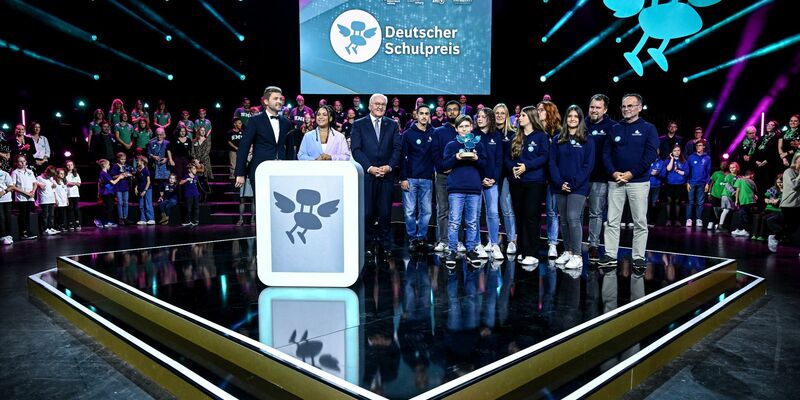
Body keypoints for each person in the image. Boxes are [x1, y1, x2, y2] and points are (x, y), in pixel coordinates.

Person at [598, 94, 659, 275]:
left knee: (640, 221)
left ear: (640, 107)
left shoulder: (649, 128)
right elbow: (606, 154)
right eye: (624, 106)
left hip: (638, 182)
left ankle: (638, 257)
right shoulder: (615, 127)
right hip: (615, 180)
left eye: (631, 106)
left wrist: (632, 173)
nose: (626, 109)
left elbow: (650, 155)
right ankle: (610, 255)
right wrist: (614, 172)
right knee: (612, 221)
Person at [352, 93, 402, 254]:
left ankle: (385, 245)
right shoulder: (359, 124)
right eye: (376, 104)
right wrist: (370, 168)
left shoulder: (392, 124)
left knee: (385, 213)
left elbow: (397, 148)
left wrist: (389, 167)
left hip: (386, 175)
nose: (380, 107)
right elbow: (356, 150)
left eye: (383, 104)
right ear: (370, 106)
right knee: (367, 213)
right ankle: (367, 245)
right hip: (367, 176)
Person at [549, 105, 594, 269]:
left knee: (573, 218)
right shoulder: (557, 139)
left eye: (576, 116)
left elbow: (588, 166)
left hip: (578, 187)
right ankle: (567, 251)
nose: (572, 119)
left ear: (580, 119)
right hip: (560, 185)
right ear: (566, 118)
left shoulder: (587, 140)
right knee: (564, 220)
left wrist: (573, 183)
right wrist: (560, 182)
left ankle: (577, 255)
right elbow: (552, 163)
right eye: (570, 116)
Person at [442, 115, 486, 266]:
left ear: (471, 127)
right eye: (461, 127)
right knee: (454, 221)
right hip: (456, 188)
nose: (464, 129)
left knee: (472, 222)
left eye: (467, 126)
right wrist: (456, 157)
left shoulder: (478, 144)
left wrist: (477, 159)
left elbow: (485, 164)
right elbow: (444, 165)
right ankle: (452, 250)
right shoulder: (451, 145)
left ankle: (471, 250)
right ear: (456, 128)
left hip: (474, 188)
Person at [234, 86, 295, 191]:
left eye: (280, 99)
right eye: (275, 98)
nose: (279, 101)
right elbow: (244, 147)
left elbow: (290, 149)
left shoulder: (287, 123)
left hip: (281, 172)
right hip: (260, 171)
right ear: (266, 101)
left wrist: (290, 171)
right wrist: (240, 173)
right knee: (262, 206)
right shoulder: (254, 121)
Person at [399, 104, 435, 252]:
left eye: (427, 113)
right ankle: (412, 238)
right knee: (409, 211)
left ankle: (421, 237)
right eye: (421, 113)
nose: (424, 116)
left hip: (427, 178)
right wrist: (403, 178)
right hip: (411, 178)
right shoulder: (408, 134)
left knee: (426, 211)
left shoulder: (434, 133)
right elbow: (402, 157)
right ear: (416, 115)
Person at [585, 94, 616, 261]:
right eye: (592, 107)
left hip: (600, 177)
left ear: (605, 110)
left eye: (598, 107)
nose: (594, 110)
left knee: (596, 213)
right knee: (572, 214)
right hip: (580, 177)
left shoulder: (612, 126)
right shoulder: (581, 124)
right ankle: (571, 247)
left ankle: (593, 245)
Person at [431, 101, 461, 252]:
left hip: (460, 176)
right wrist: (445, 168)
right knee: (443, 209)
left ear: (459, 112)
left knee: (459, 210)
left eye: (455, 110)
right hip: (443, 176)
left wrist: (455, 168)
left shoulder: (465, 131)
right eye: (449, 110)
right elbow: (435, 155)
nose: (452, 112)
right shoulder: (438, 131)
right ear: (445, 112)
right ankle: (442, 240)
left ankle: (458, 240)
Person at [475, 107, 504, 259]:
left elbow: (499, 161)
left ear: (490, 119)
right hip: (477, 181)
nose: (480, 119)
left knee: (493, 212)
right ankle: (477, 244)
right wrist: (481, 179)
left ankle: (494, 244)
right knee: (476, 213)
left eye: (483, 116)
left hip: (492, 181)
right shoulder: (473, 135)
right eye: (478, 116)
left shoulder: (496, 136)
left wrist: (494, 178)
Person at [537, 101, 562, 258]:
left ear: (549, 112)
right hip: (536, 176)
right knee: (533, 211)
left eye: (541, 110)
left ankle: (552, 243)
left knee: (552, 211)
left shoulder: (559, 132)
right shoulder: (534, 131)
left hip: (552, 178)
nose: (538, 112)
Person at [493, 103, 517, 254]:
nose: (500, 115)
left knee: (507, 208)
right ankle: (492, 240)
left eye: (503, 113)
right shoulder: (489, 132)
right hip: (492, 175)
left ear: (507, 115)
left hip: (507, 175)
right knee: (492, 210)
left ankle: (511, 240)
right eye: (497, 113)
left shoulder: (513, 133)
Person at [768, 154, 800, 253]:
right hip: (789, 204)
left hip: (798, 205)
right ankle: (774, 236)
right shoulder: (789, 171)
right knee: (790, 227)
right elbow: (794, 185)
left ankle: (775, 236)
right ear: (796, 160)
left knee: (794, 228)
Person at [11, 155, 39, 239]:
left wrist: (33, 192)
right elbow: (13, 186)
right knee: (23, 215)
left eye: (24, 161)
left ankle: (28, 230)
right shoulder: (15, 172)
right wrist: (26, 193)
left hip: (30, 196)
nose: (23, 163)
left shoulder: (30, 171)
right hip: (21, 197)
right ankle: (23, 232)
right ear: (16, 163)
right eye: (20, 161)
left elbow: (35, 183)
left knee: (28, 215)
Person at [686, 139, 711, 227]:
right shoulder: (691, 157)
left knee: (700, 202)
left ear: (703, 146)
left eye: (700, 145)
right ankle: (689, 219)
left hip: (702, 183)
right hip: (692, 182)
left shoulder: (707, 158)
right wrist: (687, 182)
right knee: (690, 202)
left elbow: (708, 172)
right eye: (697, 146)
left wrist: (707, 183)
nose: (698, 147)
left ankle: (698, 219)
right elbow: (687, 170)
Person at [663, 144, 688, 227]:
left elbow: (686, 173)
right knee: (669, 202)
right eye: (675, 151)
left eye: (678, 150)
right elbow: (668, 169)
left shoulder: (684, 161)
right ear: (672, 152)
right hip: (670, 184)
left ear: (680, 152)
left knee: (678, 202)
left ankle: (677, 220)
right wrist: (672, 159)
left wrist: (677, 171)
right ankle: (668, 220)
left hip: (680, 184)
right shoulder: (668, 160)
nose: (677, 152)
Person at [753, 173, 782, 241]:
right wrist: (768, 200)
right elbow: (765, 198)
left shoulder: (786, 191)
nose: (779, 184)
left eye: (781, 182)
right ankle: (755, 234)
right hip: (768, 208)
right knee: (759, 217)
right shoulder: (773, 189)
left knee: (764, 218)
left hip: (777, 210)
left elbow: (777, 201)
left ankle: (762, 235)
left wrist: (773, 201)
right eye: (778, 182)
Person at [732, 170, 758, 237]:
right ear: (750, 174)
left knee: (744, 215)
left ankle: (745, 230)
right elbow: (755, 191)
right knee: (743, 215)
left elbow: (737, 190)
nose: (753, 177)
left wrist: (736, 200)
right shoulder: (752, 182)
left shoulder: (740, 180)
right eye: (753, 175)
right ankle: (740, 229)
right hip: (750, 201)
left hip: (745, 200)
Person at [95, 159, 119, 228]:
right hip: (106, 192)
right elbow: (113, 182)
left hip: (108, 192)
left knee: (109, 207)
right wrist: (120, 177)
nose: (109, 166)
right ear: (105, 165)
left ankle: (108, 222)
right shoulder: (104, 173)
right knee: (108, 208)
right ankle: (99, 220)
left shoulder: (103, 173)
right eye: (109, 165)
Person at [111, 152, 134, 225]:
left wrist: (129, 175)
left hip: (125, 187)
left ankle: (125, 217)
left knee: (126, 202)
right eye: (121, 159)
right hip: (118, 187)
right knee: (120, 203)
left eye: (124, 159)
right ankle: (120, 218)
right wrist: (120, 175)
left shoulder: (127, 166)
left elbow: (132, 173)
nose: (123, 161)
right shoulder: (115, 166)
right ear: (118, 159)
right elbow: (113, 176)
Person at [717, 162, 739, 232]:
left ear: (737, 168)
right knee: (726, 210)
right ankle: (720, 226)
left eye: (733, 167)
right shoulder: (729, 176)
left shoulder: (738, 177)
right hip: (726, 195)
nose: (732, 169)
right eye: (730, 168)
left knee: (727, 210)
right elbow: (727, 185)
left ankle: (723, 225)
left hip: (730, 196)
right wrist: (734, 192)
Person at [707, 161, 729, 231]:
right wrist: (709, 193)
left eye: (725, 164)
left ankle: (717, 223)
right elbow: (711, 183)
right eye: (722, 164)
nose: (723, 165)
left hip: (723, 196)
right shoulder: (716, 173)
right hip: (715, 194)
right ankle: (710, 222)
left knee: (720, 210)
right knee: (713, 209)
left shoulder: (729, 175)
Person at [134, 156, 155, 225]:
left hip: (147, 190)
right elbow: (138, 181)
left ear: (142, 161)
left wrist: (145, 191)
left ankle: (151, 219)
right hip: (140, 189)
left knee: (148, 204)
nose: (137, 162)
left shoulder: (146, 170)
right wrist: (136, 188)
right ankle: (143, 219)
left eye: (138, 161)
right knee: (141, 205)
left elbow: (148, 182)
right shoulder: (138, 170)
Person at [65, 160, 82, 231]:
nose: (70, 166)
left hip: (75, 194)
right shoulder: (65, 174)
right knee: (70, 209)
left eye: (71, 165)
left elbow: (79, 183)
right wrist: (71, 183)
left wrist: (74, 183)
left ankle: (77, 222)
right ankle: (70, 222)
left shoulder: (76, 174)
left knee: (76, 208)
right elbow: (65, 183)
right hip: (68, 194)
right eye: (68, 165)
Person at [0, 165, 13, 244]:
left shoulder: (5, 174)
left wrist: (3, 192)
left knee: (7, 217)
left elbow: (11, 186)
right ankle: (3, 236)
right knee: (1, 218)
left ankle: (8, 235)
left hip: (6, 199)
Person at [54, 168, 69, 232]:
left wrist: (67, 199)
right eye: (61, 173)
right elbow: (54, 191)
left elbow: (65, 192)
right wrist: (55, 199)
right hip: (58, 200)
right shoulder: (54, 181)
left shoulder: (63, 182)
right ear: (57, 174)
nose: (63, 175)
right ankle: (58, 226)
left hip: (63, 200)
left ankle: (62, 225)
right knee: (58, 214)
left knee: (62, 214)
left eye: (63, 173)